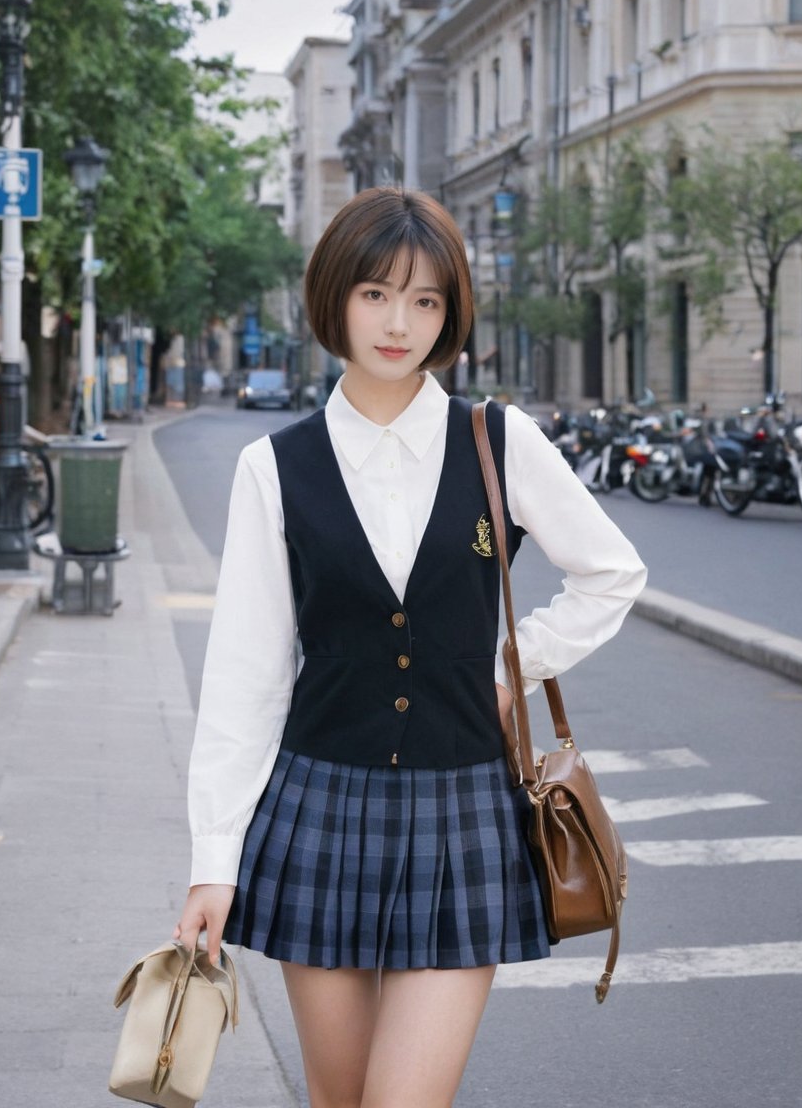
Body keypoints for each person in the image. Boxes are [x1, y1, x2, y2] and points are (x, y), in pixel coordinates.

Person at [175, 187, 646, 1108]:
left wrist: (518, 662)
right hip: (318, 801)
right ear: (335, 299)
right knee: (339, 1099)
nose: (400, 323)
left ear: (451, 313)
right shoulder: (276, 466)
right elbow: (246, 675)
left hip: (464, 806)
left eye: (426, 300)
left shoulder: (498, 440)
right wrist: (212, 859)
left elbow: (612, 573)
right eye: (377, 294)